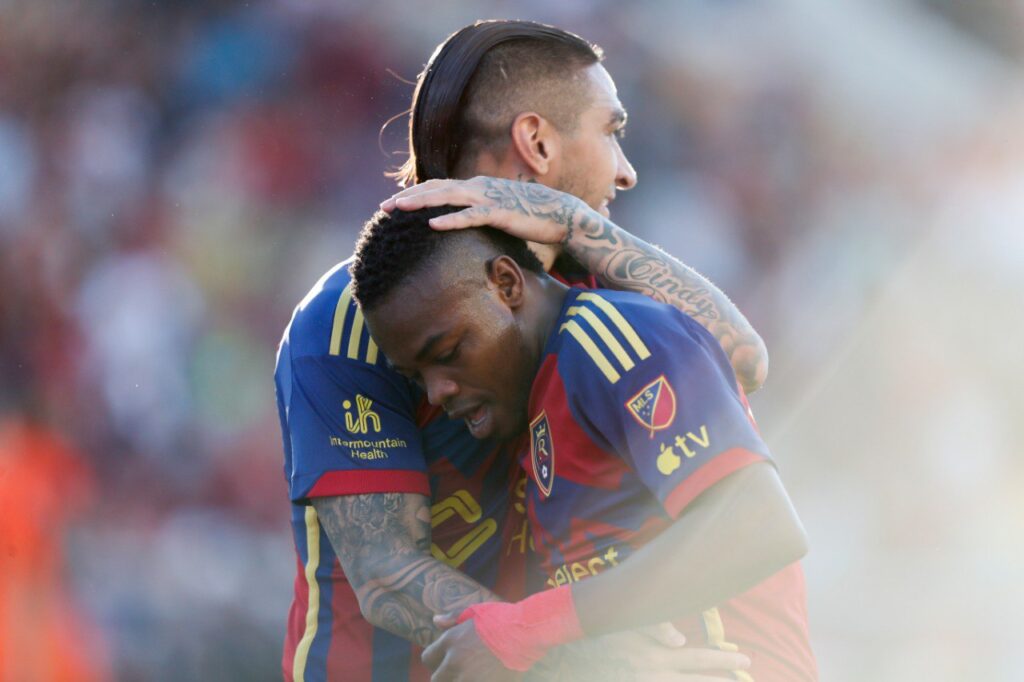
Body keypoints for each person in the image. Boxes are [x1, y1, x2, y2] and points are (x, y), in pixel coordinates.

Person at [276, 19, 767, 681]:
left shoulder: (578, 281)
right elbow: (388, 572)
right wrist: (593, 661)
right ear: (536, 140)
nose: (625, 172)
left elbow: (742, 361)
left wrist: (575, 224)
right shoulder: (345, 322)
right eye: (611, 131)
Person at [350, 206, 818, 682]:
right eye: (416, 377)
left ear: (507, 285)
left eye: (448, 354)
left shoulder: (615, 338)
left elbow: (761, 526)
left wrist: (525, 630)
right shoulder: (538, 402)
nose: (437, 392)